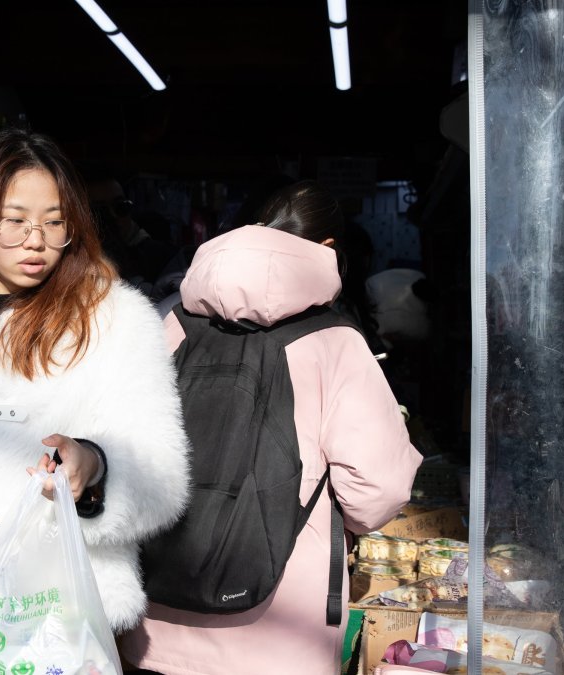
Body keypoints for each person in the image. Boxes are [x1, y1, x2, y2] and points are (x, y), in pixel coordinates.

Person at [0, 128, 190, 650]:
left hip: (52, 604)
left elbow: (163, 477)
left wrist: (92, 467)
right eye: (16, 221)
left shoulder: (113, 320)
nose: (37, 240)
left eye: (54, 222)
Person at [122, 179, 422, 674]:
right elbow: (379, 489)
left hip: (154, 624)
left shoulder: (171, 322)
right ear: (327, 250)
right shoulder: (335, 340)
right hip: (279, 633)